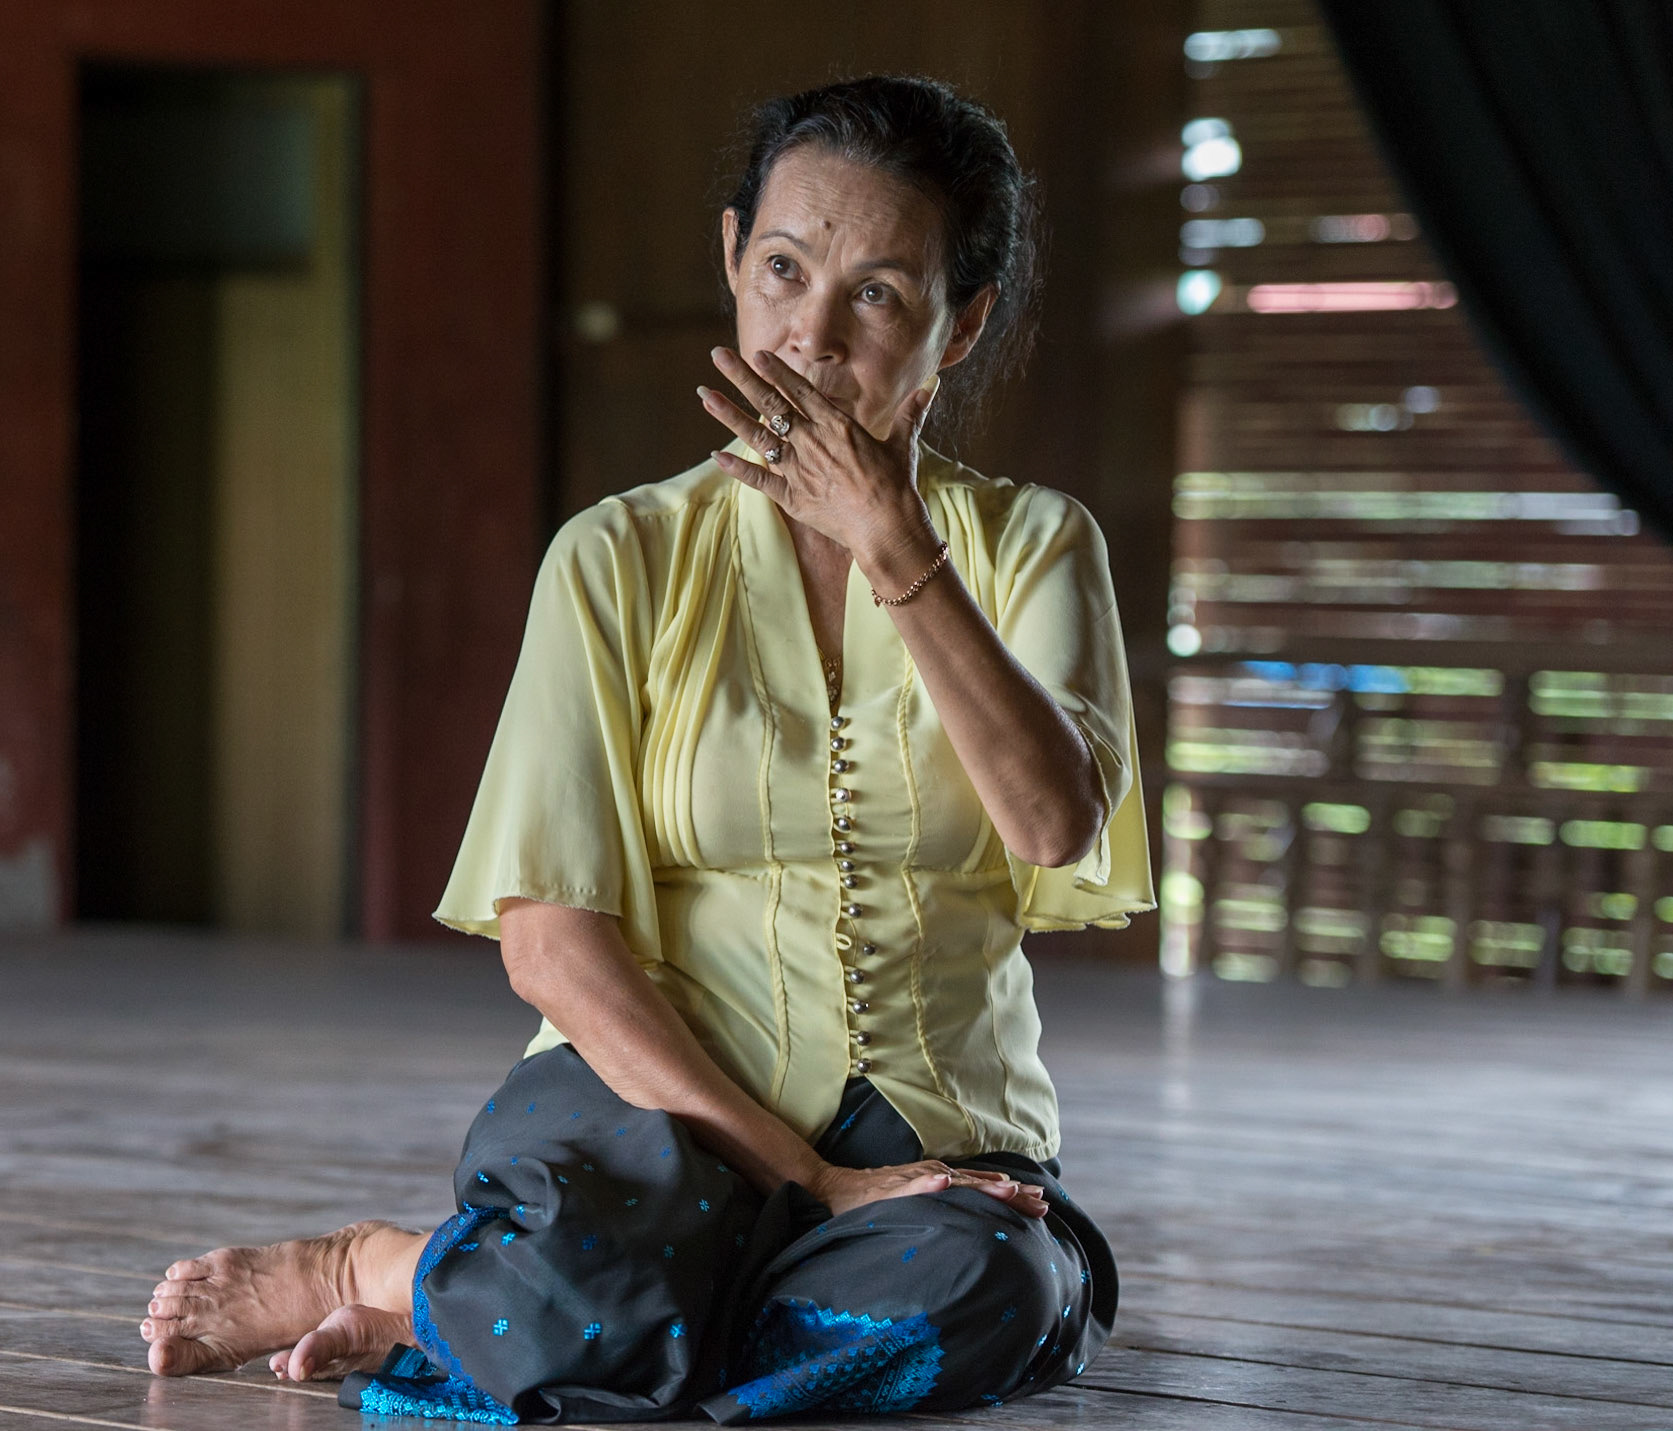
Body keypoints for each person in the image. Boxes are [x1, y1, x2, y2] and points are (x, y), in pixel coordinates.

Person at [137, 74, 1154, 1423]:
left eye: (878, 294)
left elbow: (1050, 827)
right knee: (631, 1255)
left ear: (956, 329)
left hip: (931, 1141)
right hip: (646, 1116)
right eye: (783, 269)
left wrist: (894, 543)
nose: (810, 333)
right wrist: (807, 1178)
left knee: (985, 1292)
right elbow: (549, 939)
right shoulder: (617, 556)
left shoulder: (1035, 547)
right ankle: (383, 1266)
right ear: (731, 257)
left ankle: (464, 1310)